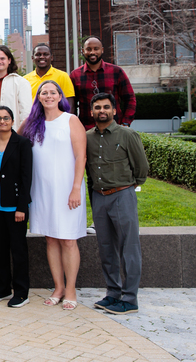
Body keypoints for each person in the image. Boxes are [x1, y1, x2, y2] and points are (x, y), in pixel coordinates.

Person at [21, 80, 87, 311]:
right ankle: (58, 287)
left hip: (68, 189)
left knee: (68, 239)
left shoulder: (71, 120)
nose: (48, 96)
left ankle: (71, 289)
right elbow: (14, 141)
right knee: (50, 238)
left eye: (52, 92)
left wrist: (76, 188)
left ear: (60, 96)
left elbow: (81, 157)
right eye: (43, 92)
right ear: (38, 97)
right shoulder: (32, 123)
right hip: (42, 190)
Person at [86, 92, 148, 315]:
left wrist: (129, 187)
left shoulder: (127, 134)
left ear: (114, 110)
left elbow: (141, 168)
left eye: (105, 107)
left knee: (128, 247)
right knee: (106, 248)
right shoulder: (88, 137)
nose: (101, 111)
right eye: (97, 108)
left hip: (122, 195)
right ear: (91, 111)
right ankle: (113, 293)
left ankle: (130, 298)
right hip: (99, 197)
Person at [0, 105, 32, 308]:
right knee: (0, 249)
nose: (2, 121)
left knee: (18, 250)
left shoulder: (22, 143)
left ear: (13, 121)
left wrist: (22, 207)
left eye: (6, 118)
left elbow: (26, 177)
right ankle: (3, 288)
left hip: (15, 207)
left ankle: (21, 292)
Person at [70, 36, 137, 129]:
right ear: (83, 51)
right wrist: (74, 126)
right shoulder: (75, 75)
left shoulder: (116, 71)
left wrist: (125, 123)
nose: (92, 52)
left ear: (102, 50)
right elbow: (71, 104)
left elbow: (130, 99)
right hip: (86, 130)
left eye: (96, 49)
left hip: (114, 128)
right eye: (88, 49)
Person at [24, 43, 75, 111]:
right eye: (38, 54)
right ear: (32, 58)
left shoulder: (62, 76)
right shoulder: (25, 79)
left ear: (51, 57)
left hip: (56, 119)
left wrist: (66, 120)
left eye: (45, 54)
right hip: (34, 120)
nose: (42, 57)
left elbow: (70, 103)